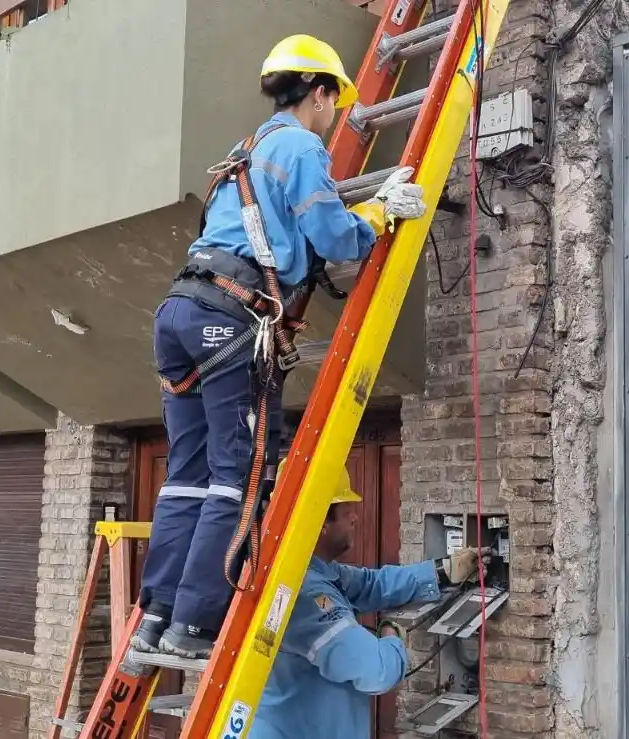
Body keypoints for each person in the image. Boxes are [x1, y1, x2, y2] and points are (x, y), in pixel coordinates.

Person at [133, 33, 429, 660]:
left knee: (185, 477)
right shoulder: (301, 145)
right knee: (238, 478)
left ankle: (155, 620)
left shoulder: (243, 151)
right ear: (319, 93)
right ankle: (193, 625)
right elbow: (336, 237)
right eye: (334, 102)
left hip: (181, 310)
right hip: (231, 318)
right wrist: (380, 211)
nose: (336, 115)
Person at [249, 461, 488, 739]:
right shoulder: (305, 595)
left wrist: (443, 572)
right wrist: (390, 634)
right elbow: (378, 671)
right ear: (321, 522)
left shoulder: (311, 571)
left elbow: (373, 584)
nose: (355, 518)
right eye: (347, 511)